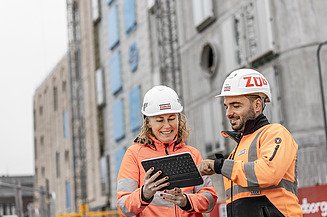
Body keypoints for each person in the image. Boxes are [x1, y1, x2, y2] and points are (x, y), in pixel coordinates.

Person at [199, 69, 303, 217]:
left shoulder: (275, 133)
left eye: (236, 105)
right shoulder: (237, 150)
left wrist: (220, 165)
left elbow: (269, 173)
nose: (228, 112)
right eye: (226, 106)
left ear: (257, 106)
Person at [117, 85, 218, 217]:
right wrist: (144, 194)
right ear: (148, 122)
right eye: (159, 120)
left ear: (178, 118)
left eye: (171, 118)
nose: (167, 126)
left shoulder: (192, 154)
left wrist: (186, 201)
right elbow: (123, 206)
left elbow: (210, 200)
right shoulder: (134, 154)